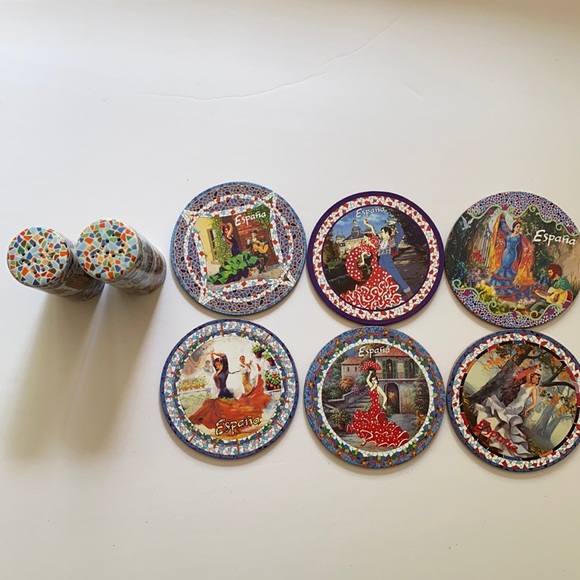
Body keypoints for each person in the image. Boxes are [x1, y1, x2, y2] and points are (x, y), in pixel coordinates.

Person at [189, 351, 271, 432]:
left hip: (225, 392)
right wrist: (211, 354)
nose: (218, 366)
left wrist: (213, 353)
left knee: (228, 411)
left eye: (219, 364)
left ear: (222, 364)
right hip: (221, 392)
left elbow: (224, 356)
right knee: (218, 409)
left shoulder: (224, 370)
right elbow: (213, 361)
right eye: (216, 365)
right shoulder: (217, 371)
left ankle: (239, 423)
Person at [471, 367, 541, 458]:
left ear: (538, 381)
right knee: (502, 418)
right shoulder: (527, 383)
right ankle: (489, 432)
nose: (534, 379)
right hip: (513, 403)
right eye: (534, 377)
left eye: (536, 378)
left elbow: (534, 403)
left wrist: (527, 409)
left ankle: (482, 430)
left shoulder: (534, 389)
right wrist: (535, 368)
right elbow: (528, 373)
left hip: (518, 406)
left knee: (502, 416)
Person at [340, 226, 403, 310]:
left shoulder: (374, 244)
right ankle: (380, 296)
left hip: (377, 265)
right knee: (377, 280)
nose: (364, 240)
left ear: (369, 238)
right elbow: (363, 253)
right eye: (364, 238)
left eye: (365, 238)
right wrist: (362, 260)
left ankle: (382, 295)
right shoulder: (369, 246)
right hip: (375, 265)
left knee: (379, 280)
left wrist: (368, 225)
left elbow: (373, 234)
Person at [346, 370, 410, 448]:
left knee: (376, 423)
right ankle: (366, 439)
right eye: (372, 380)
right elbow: (367, 380)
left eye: (374, 380)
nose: (373, 381)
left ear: (377, 381)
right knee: (368, 423)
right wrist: (370, 374)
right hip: (372, 407)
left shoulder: (378, 388)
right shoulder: (371, 386)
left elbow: (385, 397)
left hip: (376, 407)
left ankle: (370, 439)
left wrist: (383, 405)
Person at [488, 215, 535, 299]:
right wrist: (502, 219)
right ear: (513, 227)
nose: (518, 228)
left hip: (512, 254)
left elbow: (526, 246)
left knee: (507, 268)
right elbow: (503, 228)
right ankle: (499, 286)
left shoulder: (520, 237)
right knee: (502, 267)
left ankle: (507, 288)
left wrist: (527, 250)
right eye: (517, 227)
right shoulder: (509, 234)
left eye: (519, 227)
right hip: (505, 253)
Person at [369, 221, 412, 298]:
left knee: (398, 278)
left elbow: (401, 232)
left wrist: (395, 223)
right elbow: (375, 236)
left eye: (382, 232)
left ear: (387, 233)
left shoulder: (393, 240)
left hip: (389, 263)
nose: (381, 234)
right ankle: (387, 297)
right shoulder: (381, 242)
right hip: (381, 264)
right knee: (382, 281)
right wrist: (369, 226)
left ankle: (410, 294)